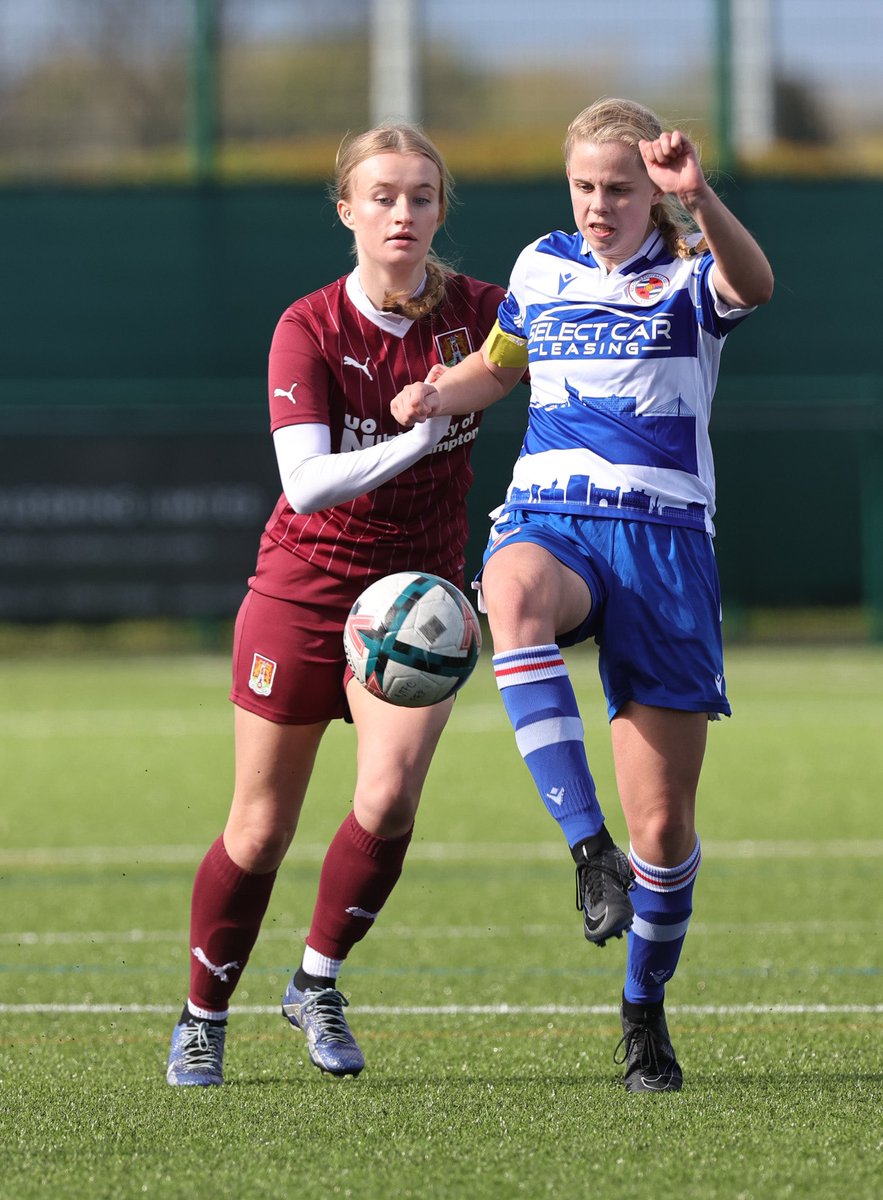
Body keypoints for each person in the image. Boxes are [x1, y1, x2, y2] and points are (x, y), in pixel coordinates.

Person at [391, 97, 774, 1092]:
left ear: (654, 191)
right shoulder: (539, 266)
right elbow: (499, 367)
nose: (599, 205)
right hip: (549, 522)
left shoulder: (688, 276)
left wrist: (702, 199)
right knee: (507, 596)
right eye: (585, 186)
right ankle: (585, 850)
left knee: (668, 832)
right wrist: (440, 392)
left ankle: (643, 1009)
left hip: (664, 551)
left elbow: (756, 284)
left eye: (620, 188)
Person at [165, 123, 505, 1085]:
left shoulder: (482, 312)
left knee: (389, 797)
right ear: (347, 210)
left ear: (441, 211)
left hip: (419, 593)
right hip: (304, 586)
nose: (404, 213)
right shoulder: (307, 326)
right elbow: (307, 483)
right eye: (384, 195)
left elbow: (555, 332)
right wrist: (425, 425)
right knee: (260, 827)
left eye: (423, 197)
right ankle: (202, 1014)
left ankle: (315, 980)